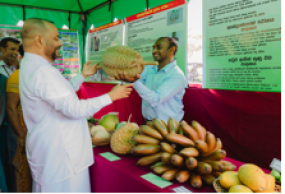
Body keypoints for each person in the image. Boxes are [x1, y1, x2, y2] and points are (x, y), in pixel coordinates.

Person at [19, 18, 133, 192]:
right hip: (61, 158)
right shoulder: (43, 71)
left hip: (52, 153)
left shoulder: (31, 66)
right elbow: (74, 109)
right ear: (40, 40)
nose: (60, 43)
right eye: (56, 38)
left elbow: (59, 97)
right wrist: (110, 96)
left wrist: (82, 76)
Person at [115, 37, 185, 123]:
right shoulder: (150, 68)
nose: (154, 51)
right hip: (148, 122)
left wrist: (134, 81)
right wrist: (127, 71)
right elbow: (134, 78)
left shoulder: (176, 75)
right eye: (154, 48)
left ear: (171, 50)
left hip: (168, 126)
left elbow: (155, 99)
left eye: (159, 47)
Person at [6, 44, 33, 192]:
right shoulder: (17, 75)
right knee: (20, 170)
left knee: (29, 172)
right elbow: (10, 108)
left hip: (29, 131)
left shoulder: (30, 74)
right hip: (19, 131)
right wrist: (21, 135)